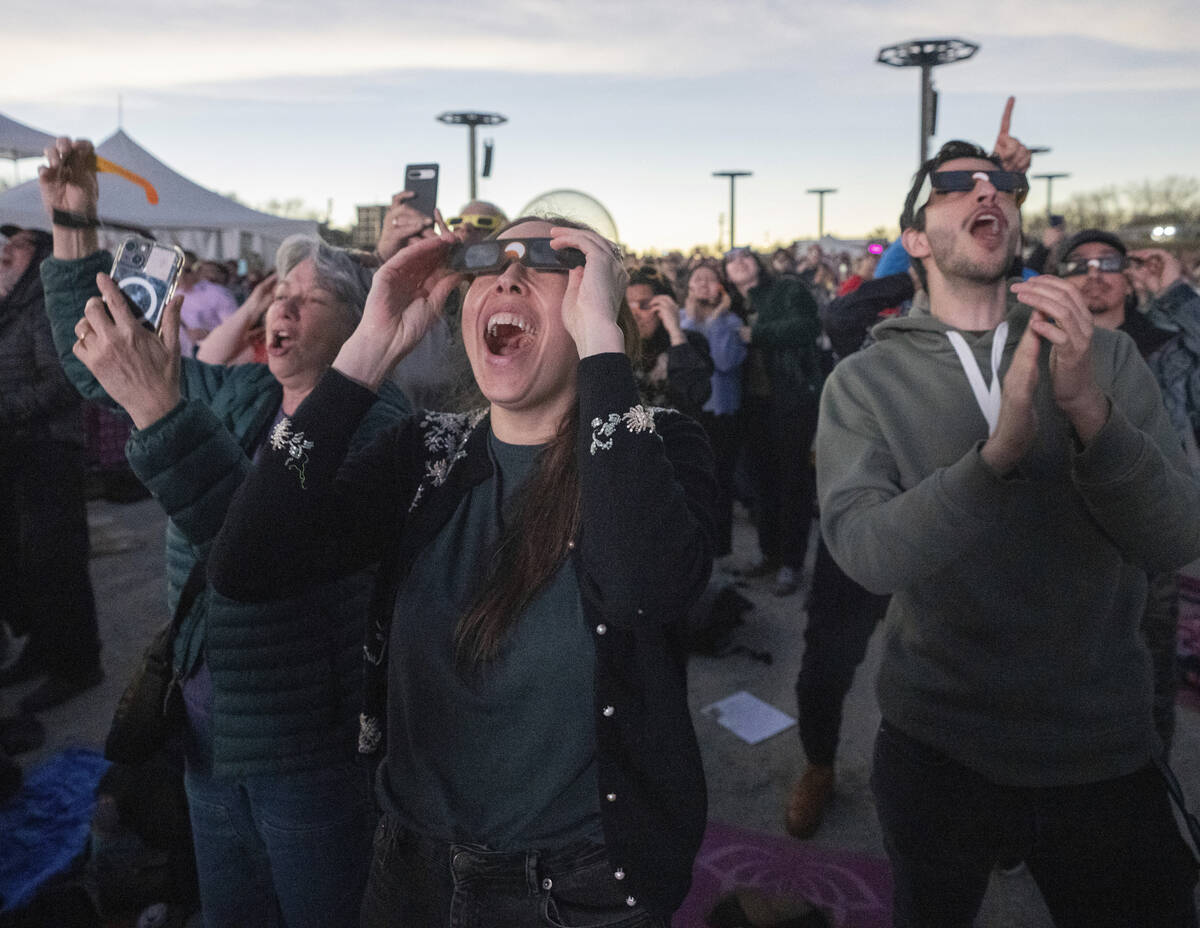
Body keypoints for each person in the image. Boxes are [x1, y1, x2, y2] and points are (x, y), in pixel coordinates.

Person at [208, 217, 716, 926]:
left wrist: (605, 343)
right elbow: (245, 564)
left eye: (547, 261)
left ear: (592, 301)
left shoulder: (664, 447)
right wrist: (367, 351)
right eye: (489, 262)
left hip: (581, 885)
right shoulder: (422, 454)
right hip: (409, 868)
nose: (507, 276)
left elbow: (640, 588)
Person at [816, 123, 1200, 926]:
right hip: (937, 742)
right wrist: (994, 461)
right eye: (956, 184)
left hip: (1100, 744)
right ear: (915, 237)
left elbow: (1174, 539)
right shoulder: (864, 382)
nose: (987, 189)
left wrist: (1089, 411)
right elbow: (865, 555)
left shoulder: (1106, 354)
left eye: (999, 183)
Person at [38, 137, 408, 928]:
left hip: (307, 749)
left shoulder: (379, 427)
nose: (281, 309)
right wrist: (74, 225)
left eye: (308, 299)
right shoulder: (242, 394)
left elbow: (259, 551)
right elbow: (96, 364)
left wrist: (162, 411)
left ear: (357, 323)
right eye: (278, 296)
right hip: (208, 736)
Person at [1056, 228, 1200, 753]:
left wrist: (1177, 293)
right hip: (1063, 534)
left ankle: (1148, 775)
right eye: (1079, 264)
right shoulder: (1039, 346)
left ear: (1129, 275)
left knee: (1148, 669)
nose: (1094, 272)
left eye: (1108, 261)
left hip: (1146, 538)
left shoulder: (1167, 345)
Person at [0, 224, 103, 712]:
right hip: (19, 451)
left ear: (39, 254)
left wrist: (7, 409)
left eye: (17, 244)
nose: (5, 250)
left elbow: (67, 381)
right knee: (26, 562)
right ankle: (42, 649)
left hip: (48, 450)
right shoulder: (14, 304)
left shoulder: (43, 307)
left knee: (56, 561)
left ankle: (77, 665)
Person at [723, 246, 822, 596]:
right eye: (731, 260)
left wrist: (759, 334)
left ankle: (791, 564)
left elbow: (809, 326)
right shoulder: (730, 304)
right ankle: (769, 554)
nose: (739, 261)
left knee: (792, 483)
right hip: (750, 405)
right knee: (761, 484)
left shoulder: (787, 289)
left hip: (791, 399)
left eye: (745, 256)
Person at [679, 260, 746, 560]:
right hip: (691, 411)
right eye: (698, 279)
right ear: (689, 286)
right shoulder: (679, 320)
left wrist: (717, 319)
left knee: (721, 481)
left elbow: (723, 362)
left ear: (721, 287)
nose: (704, 283)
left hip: (722, 413)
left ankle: (720, 552)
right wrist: (692, 320)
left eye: (710, 278)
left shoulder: (732, 322)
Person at [625, 266, 712, 418]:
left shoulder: (690, 342)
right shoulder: (615, 347)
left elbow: (695, 394)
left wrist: (676, 333)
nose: (635, 316)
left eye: (645, 305)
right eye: (627, 307)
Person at [175, 251, 239, 358]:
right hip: (182, 359)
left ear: (198, 270)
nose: (182, 276)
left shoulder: (218, 294)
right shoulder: (172, 296)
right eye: (178, 270)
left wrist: (208, 334)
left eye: (187, 270)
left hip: (213, 357)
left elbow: (236, 329)